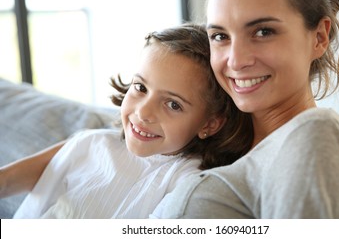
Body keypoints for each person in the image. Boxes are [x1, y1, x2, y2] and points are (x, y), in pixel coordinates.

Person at [152, 0, 339, 219]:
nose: (235, 60)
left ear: (319, 37)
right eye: (220, 36)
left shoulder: (318, 134)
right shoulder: (210, 141)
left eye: (263, 31)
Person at [1, 23, 253, 218]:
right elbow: (10, 180)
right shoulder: (92, 143)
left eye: (173, 104)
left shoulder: (187, 184)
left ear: (209, 124)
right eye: (141, 87)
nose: (144, 112)